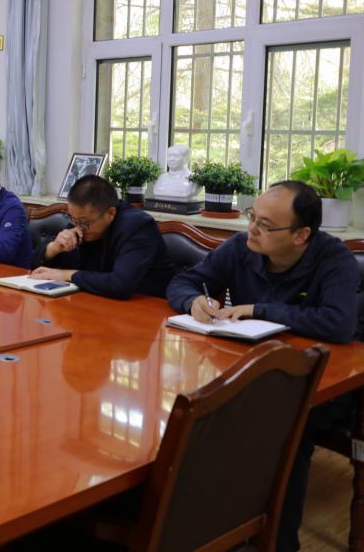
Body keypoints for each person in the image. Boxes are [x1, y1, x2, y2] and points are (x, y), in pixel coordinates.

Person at [165, 180, 359, 552]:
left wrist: (259, 310)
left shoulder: (334, 260)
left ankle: (278, 543)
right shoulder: (242, 246)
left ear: (301, 235)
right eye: (252, 217)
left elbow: (338, 323)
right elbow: (184, 281)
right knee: (197, 411)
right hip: (251, 367)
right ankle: (208, 529)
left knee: (282, 424)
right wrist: (192, 302)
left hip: (326, 381)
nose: (252, 229)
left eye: (265, 225)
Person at [30, 174, 176, 298]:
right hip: (95, 303)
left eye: (85, 222)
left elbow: (120, 284)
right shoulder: (80, 223)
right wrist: (53, 248)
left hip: (145, 308)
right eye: (73, 219)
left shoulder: (138, 227)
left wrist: (67, 275)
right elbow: (35, 267)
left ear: (111, 213)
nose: (79, 227)